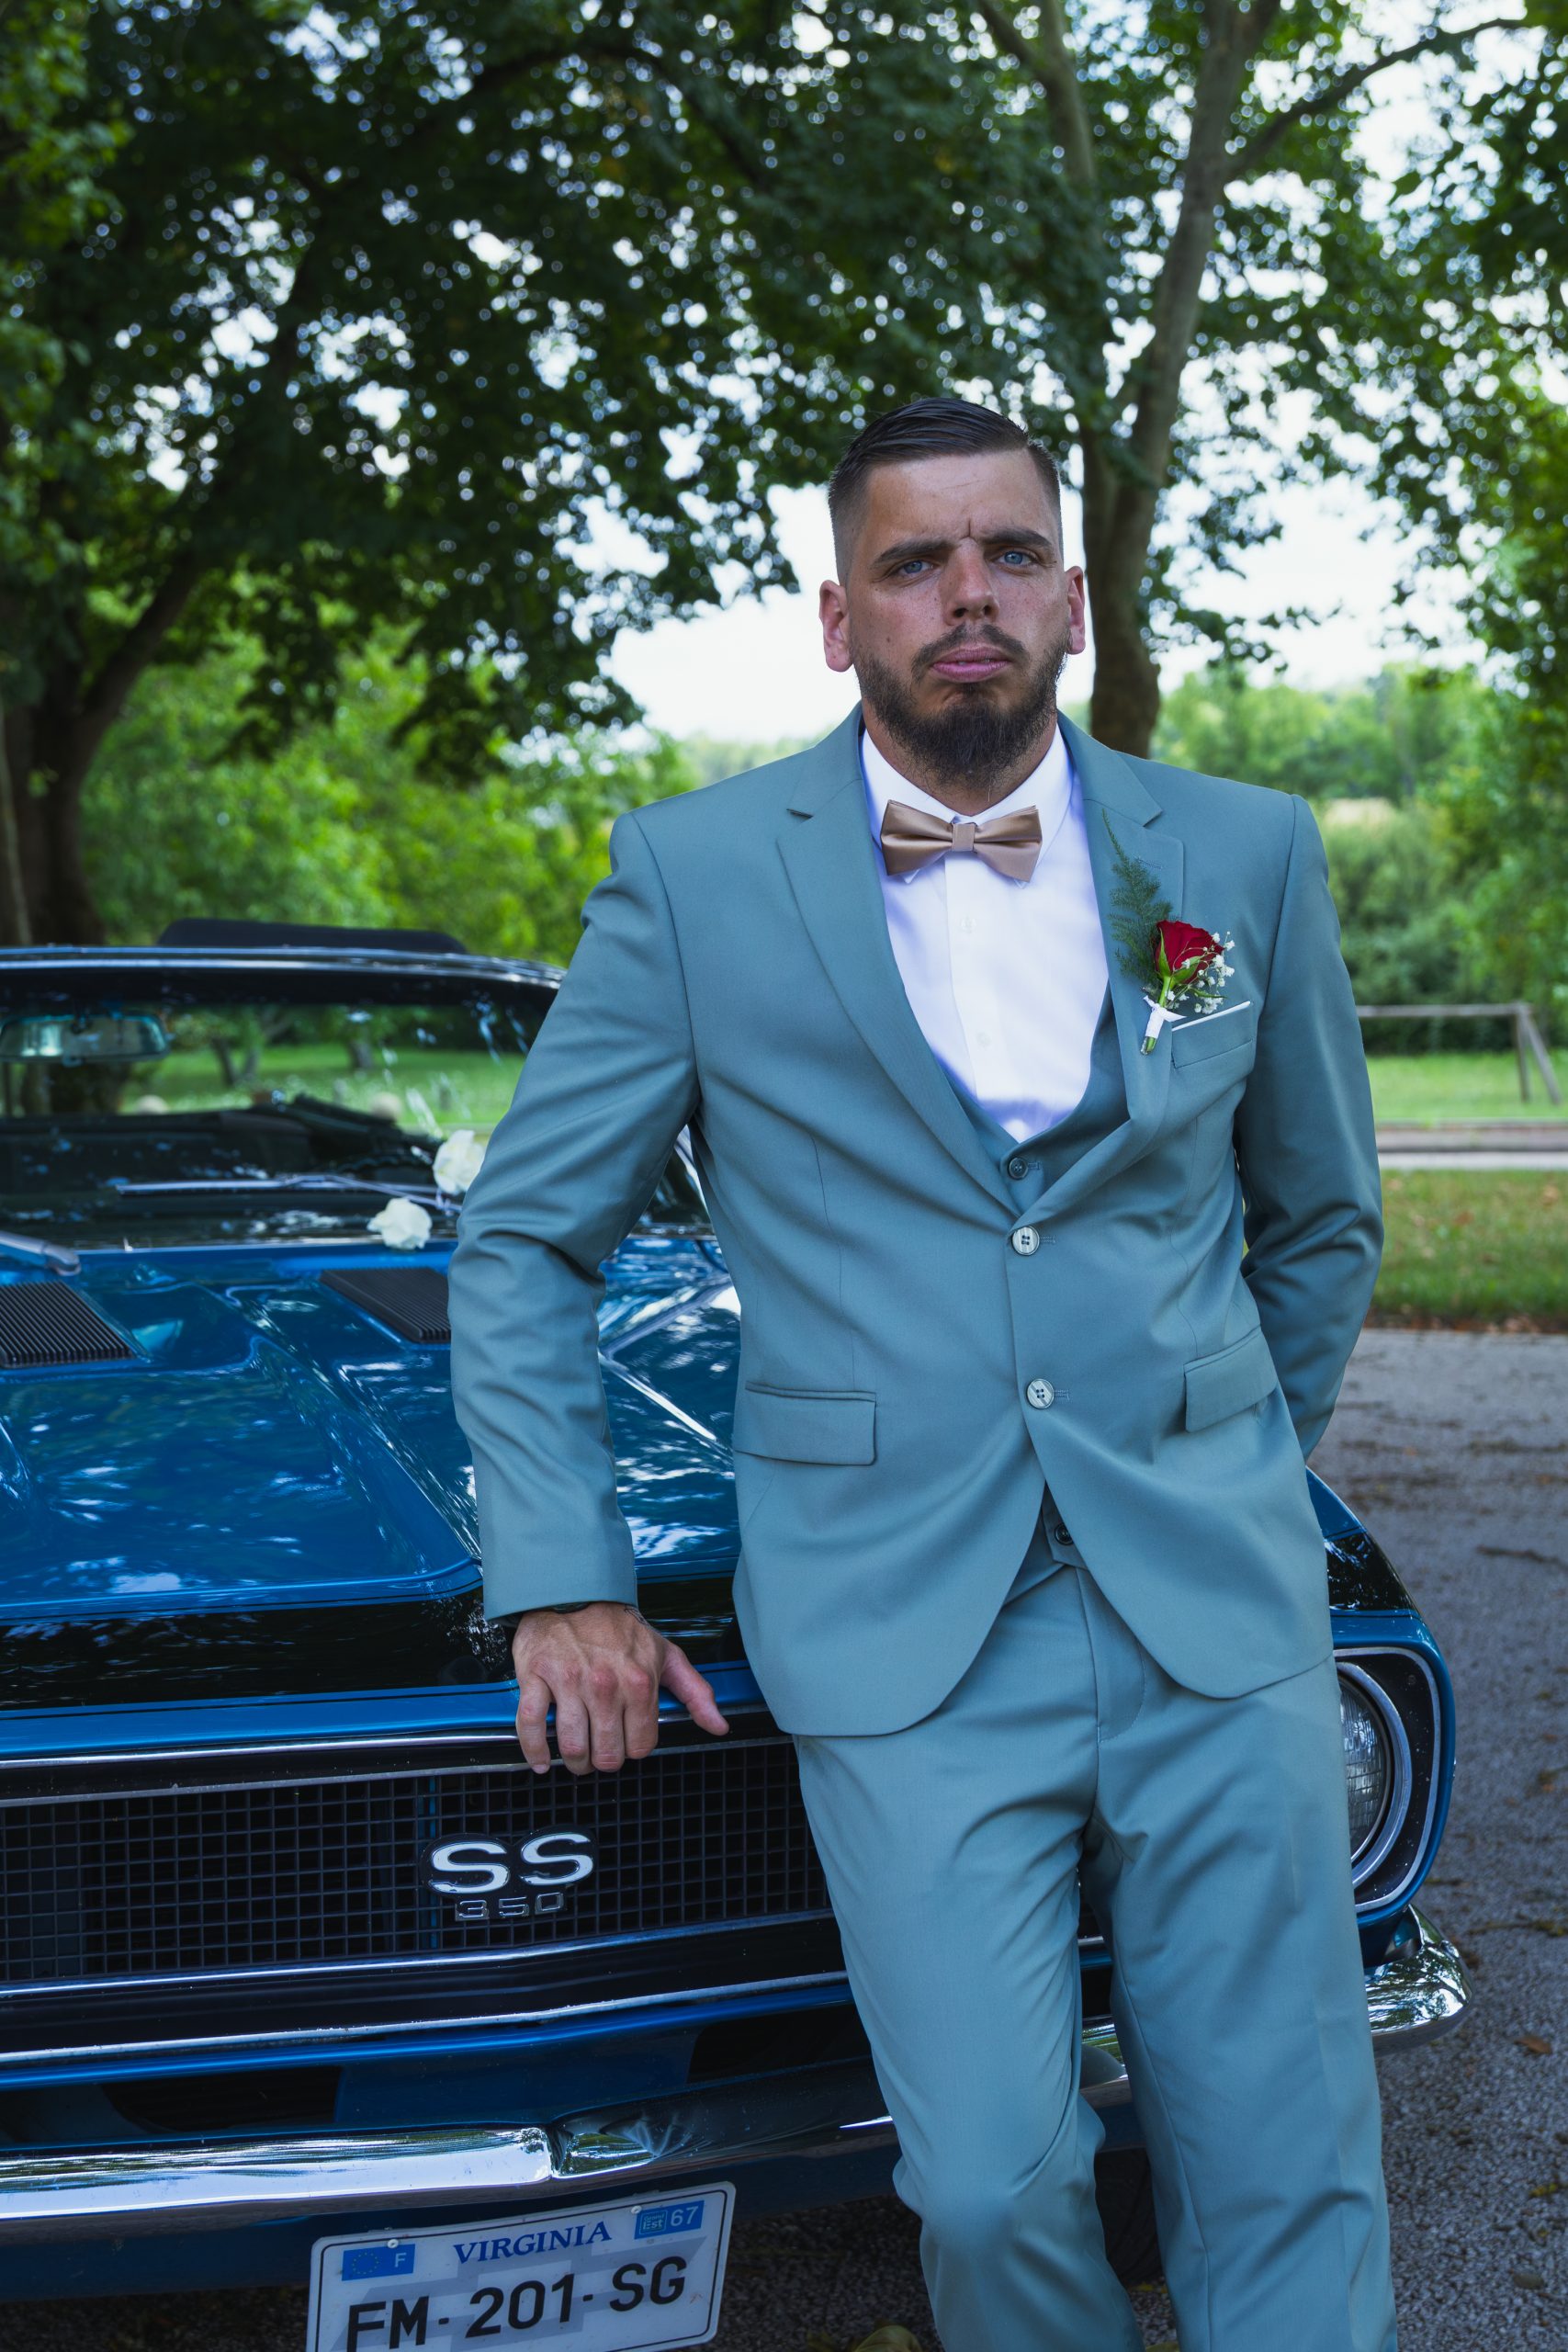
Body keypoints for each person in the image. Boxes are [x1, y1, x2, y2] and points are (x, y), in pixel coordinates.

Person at [448, 396, 1393, 2351]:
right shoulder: (694, 875)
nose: (969, 593)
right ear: (838, 615)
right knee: (987, 2183)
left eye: (1010, 552)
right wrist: (562, 1573)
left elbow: (1316, 1216)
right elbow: (526, 1238)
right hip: (902, 1630)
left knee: (1284, 2152)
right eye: (914, 561)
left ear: (1072, 599)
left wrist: (1226, 1447)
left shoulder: (1238, 855)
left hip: (1215, 1605)